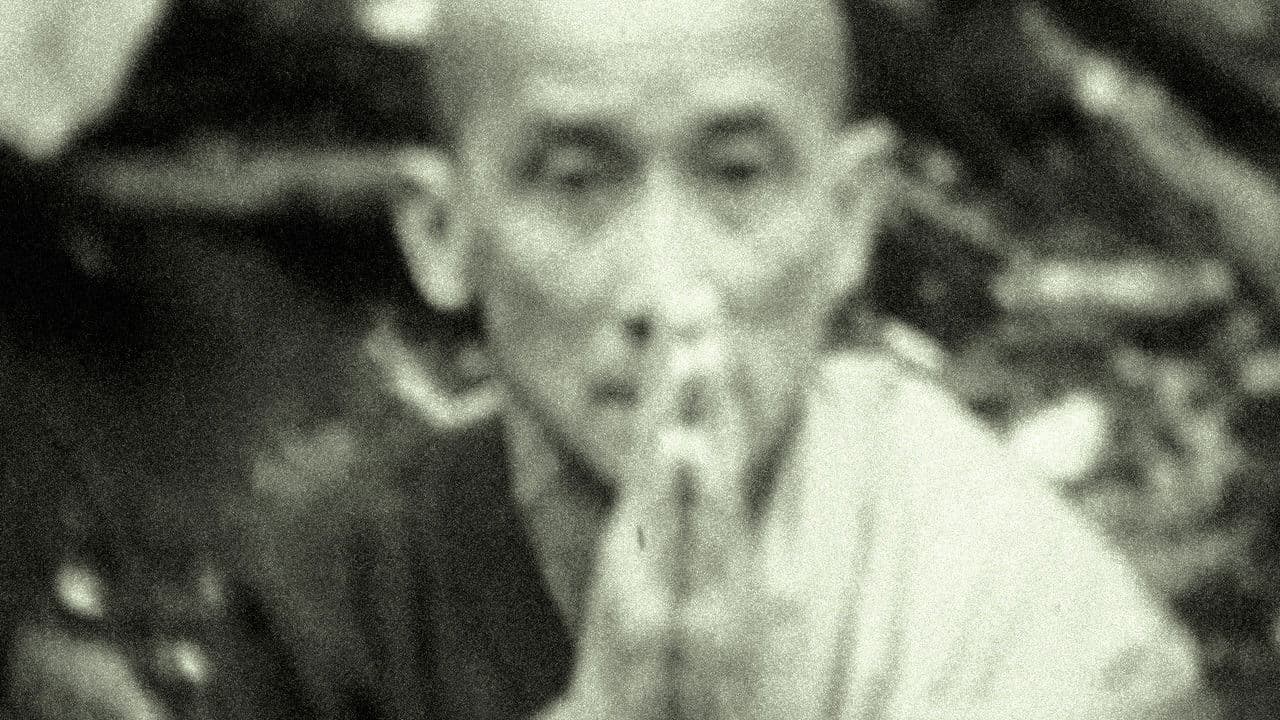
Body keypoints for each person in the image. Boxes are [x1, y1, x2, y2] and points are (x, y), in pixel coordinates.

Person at [6, 0, 1214, 718]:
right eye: (575, 181)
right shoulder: (341, 594)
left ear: (848, 219)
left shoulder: (1013, 608)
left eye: (736, 176)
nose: (664, 287)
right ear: (441, 233)